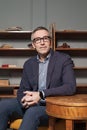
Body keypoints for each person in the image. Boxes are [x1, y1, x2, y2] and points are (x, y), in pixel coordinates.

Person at [0, 26, 76, 130]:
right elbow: (22, 89)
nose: (42, 42)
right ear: (33, 45)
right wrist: (25, 101)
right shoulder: (28, 64)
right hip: (32, 104)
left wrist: (41, 94)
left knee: (32, 113)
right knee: (3, 105)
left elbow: (70, 87)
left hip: (51, 107)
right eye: (37, 40)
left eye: (45, 38)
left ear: (50, 42)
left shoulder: (64, 60)